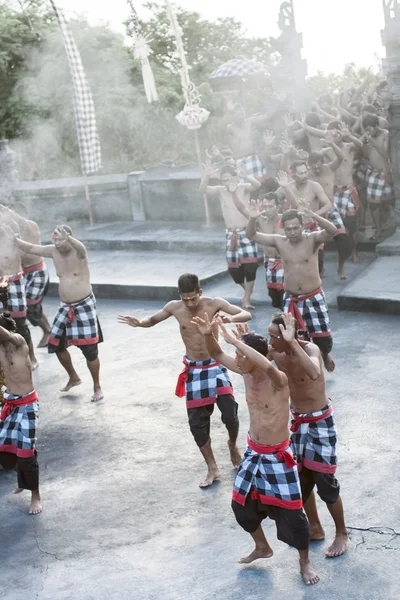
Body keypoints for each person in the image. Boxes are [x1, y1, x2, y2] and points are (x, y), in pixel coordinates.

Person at [192, 314, 319, 586]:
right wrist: (208, 334)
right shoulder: (246, 373)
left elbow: (266, 364)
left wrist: (235, 340)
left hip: (278, 456)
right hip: (254, 453)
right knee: (240, 505)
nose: (236, 359)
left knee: (293, 515)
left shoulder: (278, 379)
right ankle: (262, 546)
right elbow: (215, 352)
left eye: (240, 355)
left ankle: (304, 562)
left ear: (254, 356)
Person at [118, 273, 252, 488]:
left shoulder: (215, 303)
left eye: (193, 298)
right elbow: (152, 320)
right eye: (185, 299)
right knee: (197, 423)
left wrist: (230, 318)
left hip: (216, 365)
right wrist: (139, 323)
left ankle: (232, 445)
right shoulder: (174, 307)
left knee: (230, 414)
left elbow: (245, 314)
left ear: (200, 292)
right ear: (180, 295)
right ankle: (212, 467)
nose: (189, 303)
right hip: (194, 370)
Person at [267, 312, 348, 558]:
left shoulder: (310, 349)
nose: (270, 342)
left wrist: (292, 342)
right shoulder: (276, 353)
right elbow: (249, 362)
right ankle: (315, 527)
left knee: (326, 483)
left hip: (321, 422)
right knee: (301, 482)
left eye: (273, 337)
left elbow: (313, 372)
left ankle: (342, 532)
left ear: (287, 335)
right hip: (298, 423)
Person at [13, 225, 104, 402]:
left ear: (69, 238)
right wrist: (15, 239)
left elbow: (81, 248)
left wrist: (68, 239)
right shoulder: (53, 251)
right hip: (65, 307)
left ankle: (97, 386)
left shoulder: (79, 252)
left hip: (84, 306)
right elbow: (31, 248)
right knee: (56, 345)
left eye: (62, 239)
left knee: (90, 351)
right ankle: (74, 377)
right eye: (55, 239)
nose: (58, 243)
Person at [246, 204, 337, 372]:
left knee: (322, 335)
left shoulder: (312, 239)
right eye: (288, 229)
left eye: (296, 227)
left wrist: (314, 215)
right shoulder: (279, 241)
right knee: (292, 336)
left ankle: (324, 355)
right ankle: (299, 365)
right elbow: (251, 234)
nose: (292, 232)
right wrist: (252, 218)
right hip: (291, 298)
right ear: (284, 229)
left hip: (313, 296)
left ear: (303, 226)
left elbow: (332, 231)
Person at [200, 163, 261, 309]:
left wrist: (246, 176)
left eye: (229, 179)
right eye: (224, 180)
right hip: (231, 234)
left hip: (246, 231)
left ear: (235, 178)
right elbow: (203, 189)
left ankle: (246, 298)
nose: (227, 183)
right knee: (234, 270)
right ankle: (247, 292)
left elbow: (257, 185)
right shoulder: (221, 190)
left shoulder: (243, 187)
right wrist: (207, 176)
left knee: (250, 266)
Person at [0, 311, 41, 514]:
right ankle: (23, 480)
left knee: (26, 454)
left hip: (27, 406)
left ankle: (35, 495)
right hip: (10, 404)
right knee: (5, 452)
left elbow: (7, 335)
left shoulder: (18, 341)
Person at [2, 203, 51, 358]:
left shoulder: (29, 226)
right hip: (22, 273)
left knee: (30, 309)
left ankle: (48, 332)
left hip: (36, 271)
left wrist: (5, 210)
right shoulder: (12, 230)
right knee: (26, 309)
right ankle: (46, 331)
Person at [0, 220, 32, 354]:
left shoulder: (13, 239)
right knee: (2, 323)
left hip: (14, 283)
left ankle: (32, 357)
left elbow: (23, 248)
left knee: (20, 324)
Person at [360, 113, 393, 239]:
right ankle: (378, 229)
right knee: (373, 204)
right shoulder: (368, 136)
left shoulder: (385, 134)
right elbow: (364, 152)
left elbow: (385, 153)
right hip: (372, 173)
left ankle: (387, 226)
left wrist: (373, 142)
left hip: (384, 173)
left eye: (370, 128)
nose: (368, 131)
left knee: (387, 203)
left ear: (376, 126)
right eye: (366, 129)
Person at [225, 102, 270, 181]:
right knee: (243, 188)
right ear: (233, 116)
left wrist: (279, 102)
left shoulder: (250, 121)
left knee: (260, 185)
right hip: (240, 161)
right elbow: (222, 127)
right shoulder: (230, 128)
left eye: (242, 113)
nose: (241, 115)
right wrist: (229, 110)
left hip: (253, 158)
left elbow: (266, 117)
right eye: (238, 114)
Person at [256, 193, 284, 310]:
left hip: (284, 262)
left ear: (278, 206)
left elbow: (298, 207)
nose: (267, 209)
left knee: (285, 295)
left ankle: (291, 322)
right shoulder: (260, 220)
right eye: (265, 206)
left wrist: (286, 188)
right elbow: (242, 210)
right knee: (274, 297)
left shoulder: (285, 219)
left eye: (271, 206)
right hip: (269, 262)